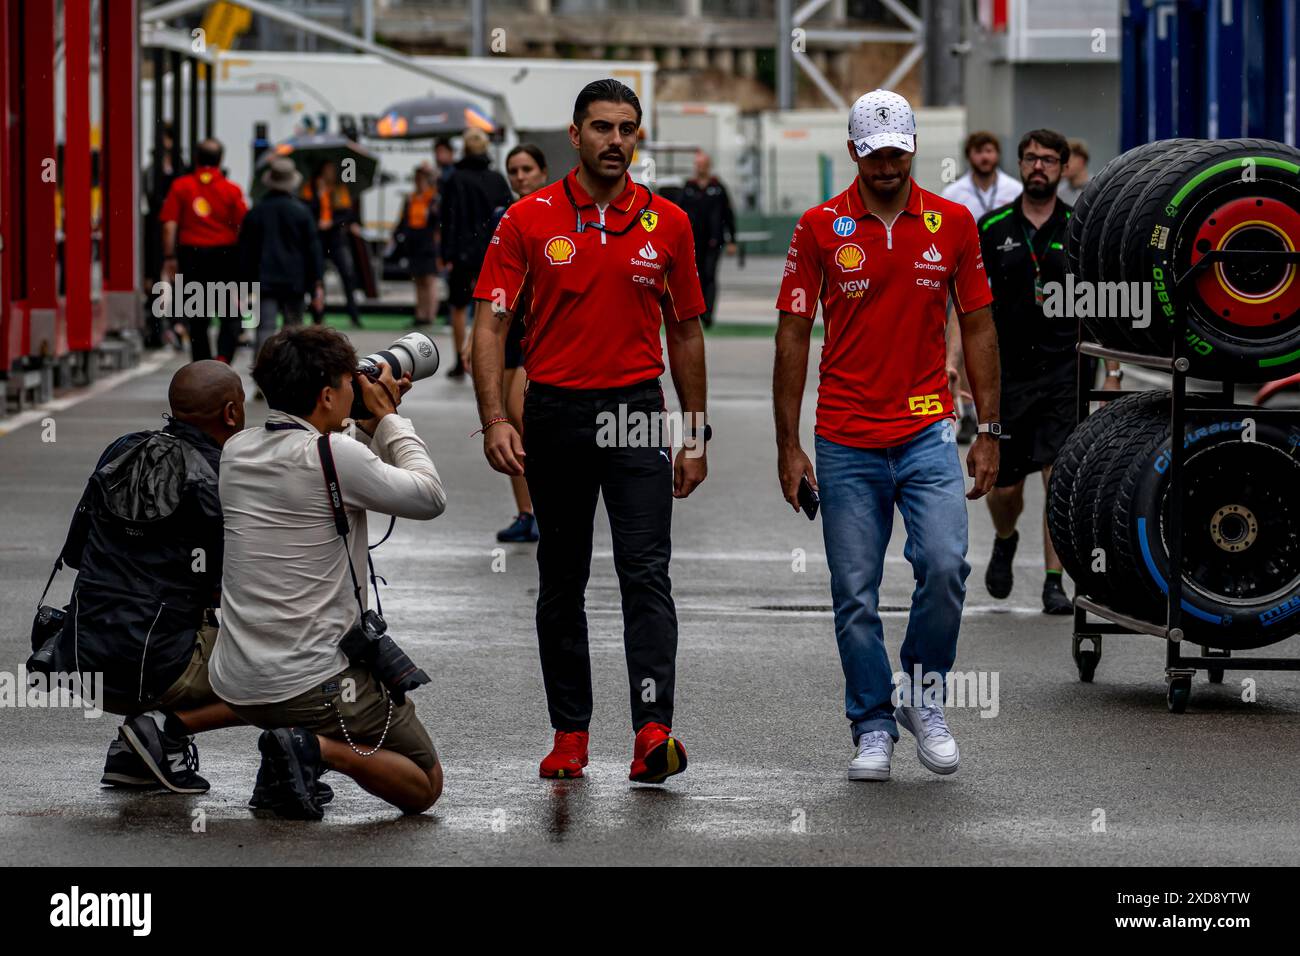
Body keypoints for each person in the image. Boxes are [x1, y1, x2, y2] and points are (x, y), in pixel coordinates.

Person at [471, 79, 708, 784]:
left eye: (627, 128)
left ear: (639, 136)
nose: (615, 140)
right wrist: (494, 418)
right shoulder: (527, 218)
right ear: (573, 136)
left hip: (635, 410)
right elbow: (491, 323)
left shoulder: (669, 222)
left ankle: (652, 731)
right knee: (561, 579)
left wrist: (692, 433)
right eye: (601, 127)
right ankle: (570, 734)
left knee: (646, 575)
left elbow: (687, 331)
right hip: (557, 413)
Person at [773, 89, 1000, 783]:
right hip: (844, 436)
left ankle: (923, 696)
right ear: (853, 153)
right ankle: (871, 722)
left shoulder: (954, 222)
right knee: (854, 591)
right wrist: (789, 445)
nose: (886, 168)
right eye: (873, 156)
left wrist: (988, 428)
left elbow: (983, 326)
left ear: (912, 150)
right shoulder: (818, 227)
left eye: (897, 154)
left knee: (943, 566)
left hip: (929, 429)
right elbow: (792, 334)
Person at [210, 325, 447, 819]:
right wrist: (388, 419)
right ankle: (312, 749)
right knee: (424, 784)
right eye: (347, 381)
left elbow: (325, 467)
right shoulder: (335, 454)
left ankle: (287, 759)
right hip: (312, 686)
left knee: (288, 693)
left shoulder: (236, 452)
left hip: (237, 684)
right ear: (325, 394)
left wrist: (358, 424)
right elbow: (428, 496)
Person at [48, 362, 247, 794]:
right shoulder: (225, 475)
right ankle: (162, 729)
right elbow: (234, 582)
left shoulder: (121, 448)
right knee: (287, 665)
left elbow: (79, 554)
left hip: (84, 660)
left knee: (148, 604)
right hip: (159, 668)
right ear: (231, 414)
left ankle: (132, 752)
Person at [976, 129, 1119, 614]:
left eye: (1049, 160)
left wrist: (1114, 369)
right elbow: (968, 309)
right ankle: (1004, 537)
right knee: (1004, 490)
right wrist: (954, 366)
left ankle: (1054, 582)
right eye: (1031, 158)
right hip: (1006, 374)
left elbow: (1102, 306)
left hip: (1067, 369)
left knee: (1059, 478)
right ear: (1019, 165)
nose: (1039, 166)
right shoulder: (991, 227)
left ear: (1064, 167)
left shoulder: (1083, 227)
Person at [487, 143, 549, 544]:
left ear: (542, 172)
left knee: (520, 414)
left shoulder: (557, 214)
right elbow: (489, 279)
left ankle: (545, 508)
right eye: (513, 170)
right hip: (506, 328)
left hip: (541, 331)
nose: (520, 177)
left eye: (527, 169)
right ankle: (527, 512)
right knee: (509, 425)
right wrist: (482, 336)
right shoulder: (502, 217)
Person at [159, 138, 248, 363]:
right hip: (224, 257)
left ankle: (202, 365)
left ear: (196, 158)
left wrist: (169, 257)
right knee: (230, 314)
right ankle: (223, 358)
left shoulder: (181, 186)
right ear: (221, 160)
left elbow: (169, 225)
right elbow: (243, 226)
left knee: (198, 316)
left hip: (192, 256)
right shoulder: (232, 190)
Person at [440, 127, 513, 378]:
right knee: (495, 305)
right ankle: (495, 356)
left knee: (458, 307)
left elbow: (448, 218)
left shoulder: (455, 179)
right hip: (492, 251)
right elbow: (508, 215)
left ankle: (461, 360)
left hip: (462, 252)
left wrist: (447, 253)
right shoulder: (497, 179)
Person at [238, 157, 324, 363]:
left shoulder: (256, 212)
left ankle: (262, 373)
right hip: (294, 280)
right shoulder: (302, 212)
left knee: (265, 328)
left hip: (265, 279)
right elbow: (313, 250)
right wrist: (316, 283)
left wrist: (244, 283)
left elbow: (246, 251)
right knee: (294, 331)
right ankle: (291, 374)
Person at [678, 150, 737, 328]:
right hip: (692, 242)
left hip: (713, 241)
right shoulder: (688, 188)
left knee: (709, 275)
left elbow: (729, 214)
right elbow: (678, 215)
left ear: (708, 165)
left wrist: (732, 239)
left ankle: (708, 314)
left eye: (702, 164)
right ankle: (696, 310)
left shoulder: (718, 188)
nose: (699, 167)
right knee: (695, 277)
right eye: (697, 164)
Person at [301, 160, 363, 329]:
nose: (332, 173)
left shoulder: (339, 189)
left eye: (333, 170)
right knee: (317, 276)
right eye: (328, 170)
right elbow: (305, 210)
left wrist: (332, 223)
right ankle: (318, 315)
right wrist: (319, 196)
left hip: (335, 238)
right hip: (317, 238)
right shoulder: (309, 189)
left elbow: (347, 214)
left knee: (346, 274)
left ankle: (354, 314)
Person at [394, 164, 441, 327]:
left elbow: (438, 221)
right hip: (413, 242)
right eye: (417, 178)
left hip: (428, 242)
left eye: (421, 178)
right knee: (418, 279)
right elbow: (403, 220)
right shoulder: (411, 198)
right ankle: (420, 314)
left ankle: (430, 315)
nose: (418, 182)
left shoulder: (434, 198)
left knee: (429, 280)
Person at [941, 131, 1022, 220]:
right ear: (968, 156)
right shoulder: (952, 194)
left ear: (998, 154)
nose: (984, 157)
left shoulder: (1016, 190)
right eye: (978, 152)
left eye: (989, 151)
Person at [1058, 137, 1092, 205]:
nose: (1063, 165)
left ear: (1080, 161)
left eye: (1067, 160)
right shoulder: (1058, 194)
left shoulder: (1097, 190)